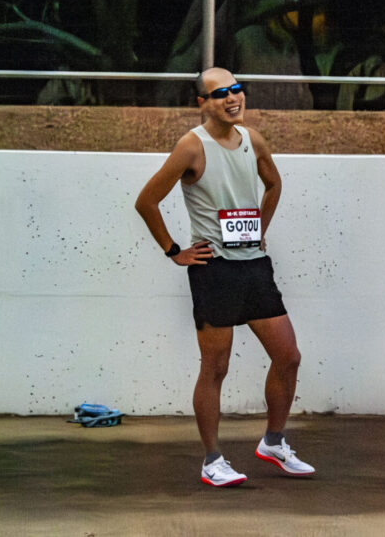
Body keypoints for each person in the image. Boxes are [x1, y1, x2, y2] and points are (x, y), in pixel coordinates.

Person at [134, 67, 314, 487]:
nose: (233, 98)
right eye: (220, 94)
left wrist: (260, 229)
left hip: (254, 266)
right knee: (215, 367)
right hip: (214, 271)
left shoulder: (253, 139)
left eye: (236, 89)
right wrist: (175, 252)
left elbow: (273, 184)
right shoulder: (191, 147)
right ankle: (212, 460)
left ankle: (273, 442)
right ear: (202, 103)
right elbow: (146, 202)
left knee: (288, 357)